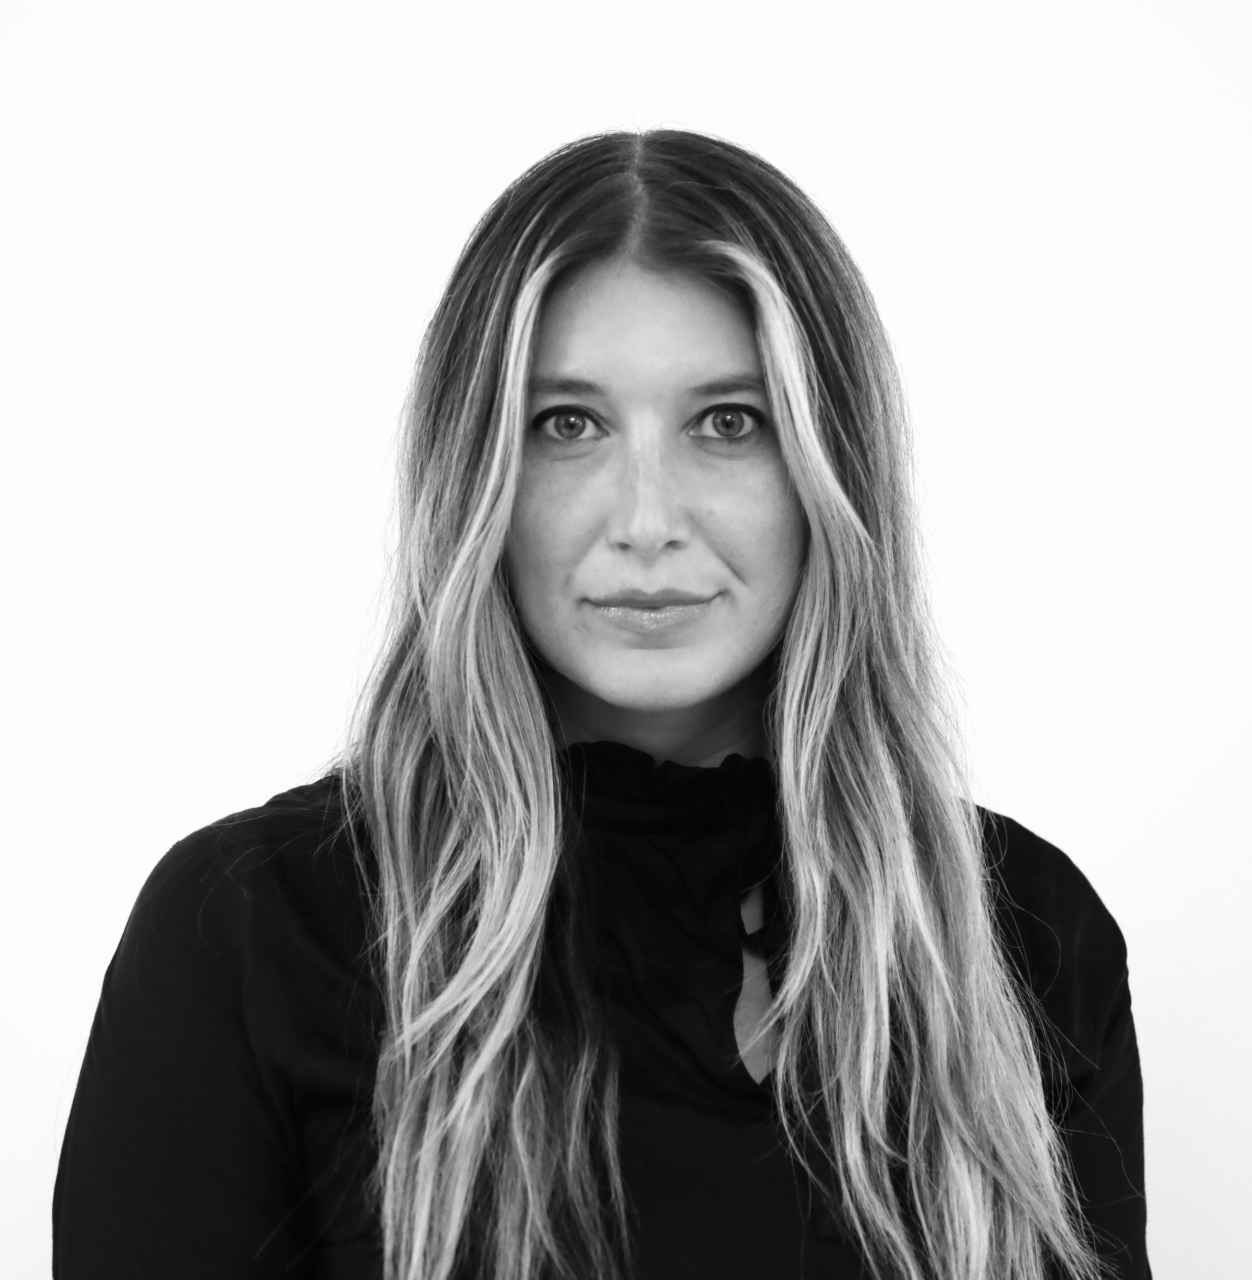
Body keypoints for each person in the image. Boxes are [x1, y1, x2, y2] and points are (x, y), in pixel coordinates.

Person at [52, 130, 1149, 1280]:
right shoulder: (251, 928)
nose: (646, 521)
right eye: (566, 424)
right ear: (474, 475)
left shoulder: (1021, 934)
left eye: (729, 421)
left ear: (832, 467)